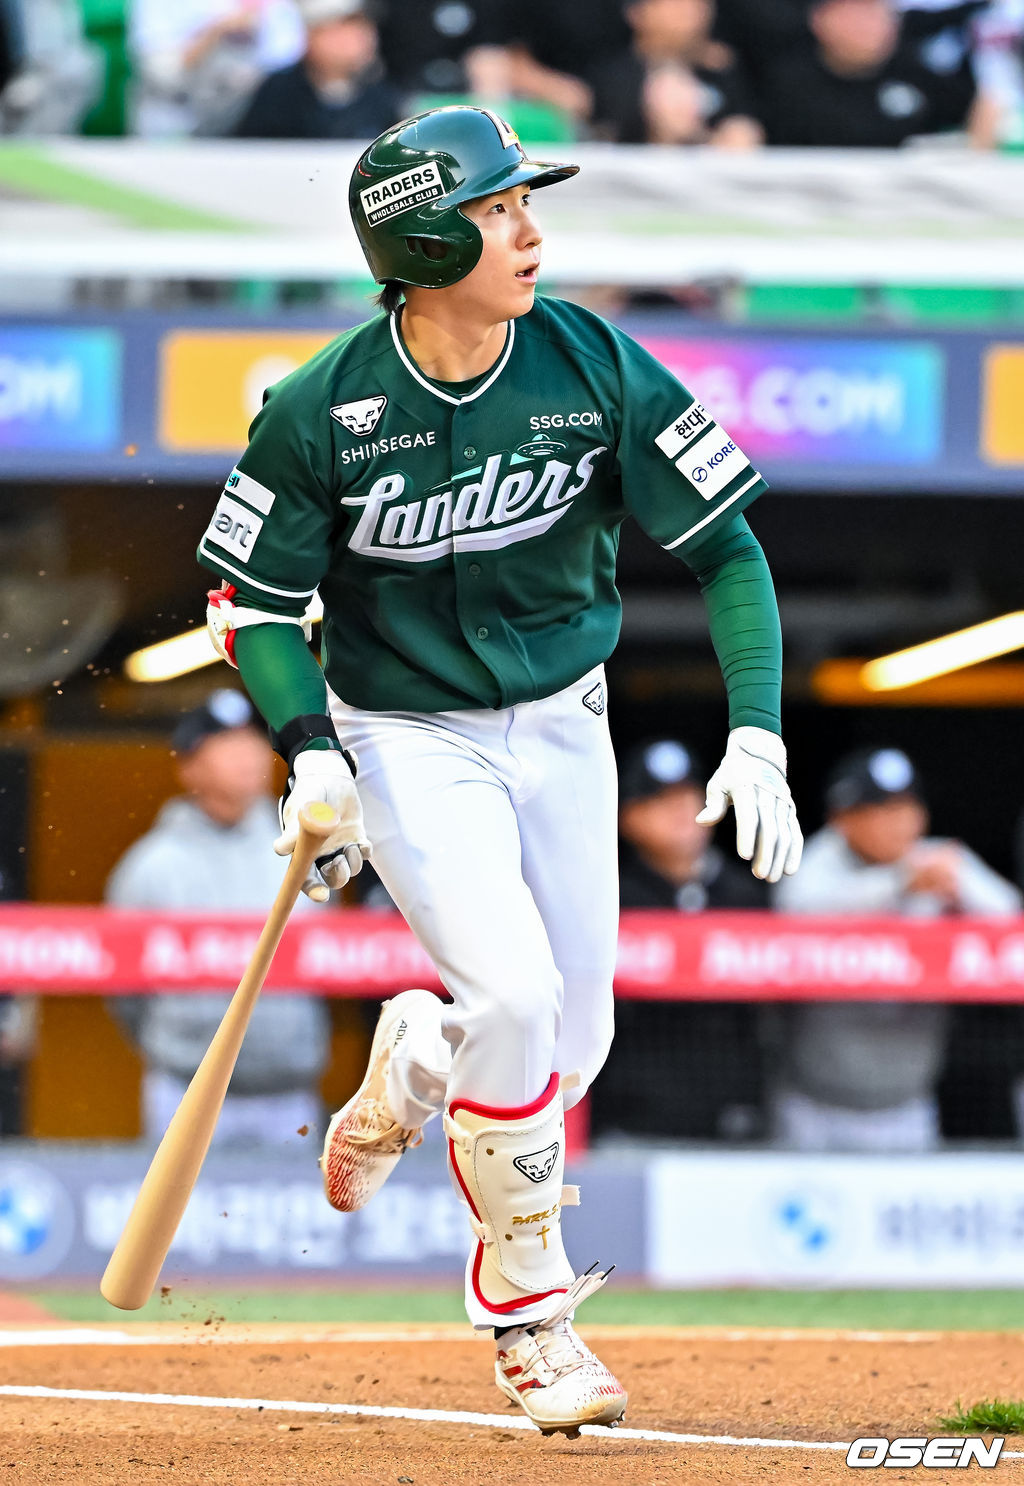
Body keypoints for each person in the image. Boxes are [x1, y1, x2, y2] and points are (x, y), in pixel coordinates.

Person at [197, 103, 802, 1435]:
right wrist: (309, 750)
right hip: (406, 729)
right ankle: (530, 1320)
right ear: (421, 242)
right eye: (494, 209)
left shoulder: (592, 358)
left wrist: (756, 727)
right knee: (518, 996)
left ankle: (421, 1053)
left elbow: (727, 548)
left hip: (565, 715)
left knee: (566, 1046)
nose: (529, 230)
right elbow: (248, 605)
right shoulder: (320, 407)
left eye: (526, 203)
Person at [106, 689, 330, 1147]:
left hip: (289, 1093)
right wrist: (173, 1047)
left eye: (253, 740)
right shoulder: (151, 864)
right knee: (178, 1199)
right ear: (189, 766)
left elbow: (334, 961)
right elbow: (123, 988)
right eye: (225, 744)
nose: (246, 755)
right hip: (184, 1089)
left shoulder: (304, 849)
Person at [770, 746, 1021, 1152]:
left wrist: (960, 888)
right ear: (842, 819)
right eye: (881, 809)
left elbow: (1011, 924)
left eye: (908, 807)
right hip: (814, 1104)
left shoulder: (938, 860)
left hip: (906, 1104)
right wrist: (898, 883)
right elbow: (795, 909)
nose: (900, 822)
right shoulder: (816, 859)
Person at [592, 738, 770, 1143]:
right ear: (627, 817)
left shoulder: (747, 893)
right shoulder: (607, 897)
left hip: (730, 1120)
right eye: (659, 800)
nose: (680, 811)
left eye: (689, 795)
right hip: (631, 1119)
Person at [757, 0, 980, 147]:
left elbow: (975, 115)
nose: (868, 26)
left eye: (877, 14)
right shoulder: (785, 82)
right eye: (855, 15)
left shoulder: (915, 73)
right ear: (819, 20)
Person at [588, 0, 763, 147]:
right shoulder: (611, 78)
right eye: (677, 5)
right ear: (637, 12)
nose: (690, 13)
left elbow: (744, 120)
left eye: (699, 4)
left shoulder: (720, 70)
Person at [128, 0, 305, 138]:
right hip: (172, 125)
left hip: (248, 129)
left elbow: (288, 60)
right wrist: (215, 32)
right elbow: (163, 74)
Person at [232, 0, 404, 140]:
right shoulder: (278, 92)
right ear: (310, 35)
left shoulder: (381, 96)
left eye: (361, 27)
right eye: (342, 28)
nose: (357, 38)